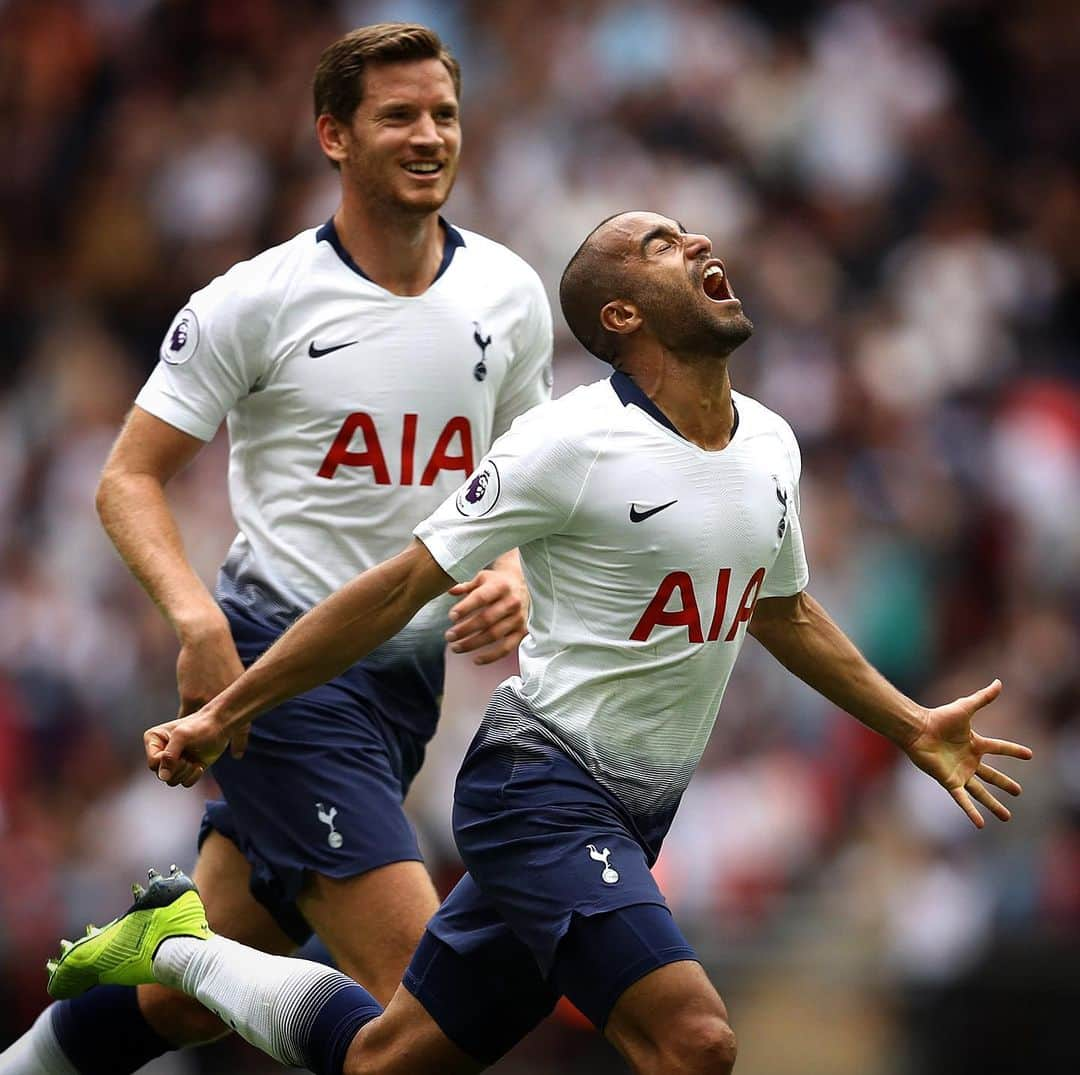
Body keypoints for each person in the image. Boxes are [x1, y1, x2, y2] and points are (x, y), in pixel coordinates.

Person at [45, 211, 1031, 1075]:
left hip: (639, 812)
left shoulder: (772, 442)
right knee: (695, 1040)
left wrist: (908, 723)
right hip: (541, 792)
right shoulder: (566, 443)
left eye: (687, 232)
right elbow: (398, 587)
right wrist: (226, 709)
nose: (694, 242)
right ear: (621, 317)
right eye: (657, 244)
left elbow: (783, 610)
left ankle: (182, 948)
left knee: (387, 1056)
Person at [0, 22, 554, 1075]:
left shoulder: (509, 296)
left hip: (402, 687)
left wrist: (512, 566)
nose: (429, 134)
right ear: (333, 135)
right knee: (422, 1015)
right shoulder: (257, 299)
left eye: (443, 113)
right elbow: (125, 477)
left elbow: (520, 470)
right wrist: (197, 619)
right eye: (399, 115)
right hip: (279, 666)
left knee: (183, 1000)